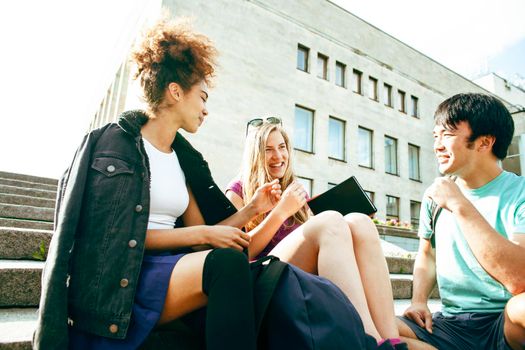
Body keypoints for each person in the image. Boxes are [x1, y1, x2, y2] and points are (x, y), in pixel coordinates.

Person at [33, 18, 279, 350]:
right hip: (124, 277)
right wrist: (203, 234)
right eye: (202, 97)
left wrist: (254, 208)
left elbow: (201, 240)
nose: (206, 110)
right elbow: (109, 235)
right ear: (176, 91)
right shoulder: (110, 145)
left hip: (170, 271)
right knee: (228, 265)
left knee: (246, 270)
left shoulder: (184, 161)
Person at [226, 120, 404, 347]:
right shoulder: (238, 190)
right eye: (268, 150)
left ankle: (393, 340)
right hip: (261, 275)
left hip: (297, 271)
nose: (278, 156)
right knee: (329, 221)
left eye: (282, 147)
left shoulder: (293, 187)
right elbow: (240, 252)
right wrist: (280, 212)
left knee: (359, 222)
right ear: (255, 154)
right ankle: (370, 340)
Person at [397, 93, 525, 350]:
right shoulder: (435, 196)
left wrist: (459, 205)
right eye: (436, 136)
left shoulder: (519, 193)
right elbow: (427, 254)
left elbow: (519, 279)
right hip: (451, 325)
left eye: (448, 134)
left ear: (484, 142)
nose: (437, 145)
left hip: (506, 323)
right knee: (371, 326)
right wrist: (419, 300)